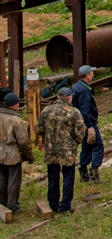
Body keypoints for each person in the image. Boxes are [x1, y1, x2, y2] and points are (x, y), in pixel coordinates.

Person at [37, 87, 86, 215]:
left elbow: (39, 130)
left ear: (58, 97)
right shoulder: (74, 112)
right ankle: (64, 206)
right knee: (68, 177)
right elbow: (80, 132)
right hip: (67, 151)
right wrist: (75, 142)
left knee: (53, 176)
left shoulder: (46, 111)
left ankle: (53, 204)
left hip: (51, 150)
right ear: (69, 98)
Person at [0, 92, 33, 213]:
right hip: (12, 155)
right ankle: (12, 205)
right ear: (14, 106)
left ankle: (2, 203)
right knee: (14, 181)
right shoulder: (16, 120)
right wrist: (30, 157)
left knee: (2, 179)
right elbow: (24, 141)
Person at [72, 65, 102, 183]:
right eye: (91, 73)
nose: (93, 75)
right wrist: (90, 127)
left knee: (87, 146)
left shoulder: (76, 87)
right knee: (98, 145)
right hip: (88, 122)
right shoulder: (84, 90)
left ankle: (83, 173)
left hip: (80, 123)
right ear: (87, 75)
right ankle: (94, 174)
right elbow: (85, 110)